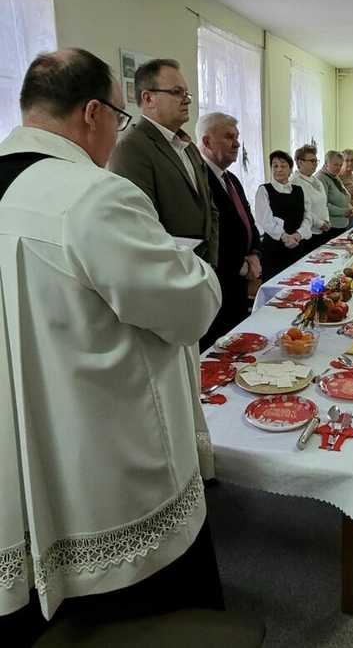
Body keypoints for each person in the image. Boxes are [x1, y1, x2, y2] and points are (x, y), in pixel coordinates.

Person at [0, 50, 224, 644]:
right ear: (94, 113)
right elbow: (191, 305)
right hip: (102, 463)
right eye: (121, 121)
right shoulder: (94, 197)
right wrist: (192, 265)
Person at [110, 58, 218, 271]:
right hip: (168, 275)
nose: (186, 100)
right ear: (148, 98)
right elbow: (142, 226)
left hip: (202, 270)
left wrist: (210, 262)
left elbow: (211, 211)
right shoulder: (132, 148)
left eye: (187, 94)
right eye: (177, 92)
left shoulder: (189, 147)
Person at [196, 112, 261, 346]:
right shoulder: (198, 180)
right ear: (206, 142)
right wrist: (238, 265)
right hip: (217, 280)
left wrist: (254, 252)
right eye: (228, 137)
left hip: (239, 281)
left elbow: (248, 221)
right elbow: (207, 235)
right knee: (218, 347)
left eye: (237, 137)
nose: (236, 143)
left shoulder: (231, 179)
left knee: (237, 341)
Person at [255, 150, 311, 281]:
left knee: (298, 285)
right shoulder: (264, 190)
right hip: (274, 249)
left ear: (291, 169)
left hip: (298, 245)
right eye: (275, 166)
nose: (279, 169)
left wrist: (298, 235)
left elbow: (308, 217)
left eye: (283, 166)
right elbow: (265, 220)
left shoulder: (299, 190)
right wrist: (285, 237)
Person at [291, 143, 331, 252]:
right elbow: (304, 210)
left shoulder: (316, 180)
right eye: (312, 161)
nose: (315, 164)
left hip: (322, 230)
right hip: (308, 233)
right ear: (300, 162)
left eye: (316, 161)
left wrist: (326, 221)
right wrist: (320, 224)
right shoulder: (295, 183)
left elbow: (324, 203)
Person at [316, 151, 353, 236]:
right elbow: (323, 204)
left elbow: (344, 195)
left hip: (347, 220)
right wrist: (343, 211)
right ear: (326, 164)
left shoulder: (336, 176)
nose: (338, 168)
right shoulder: (322, 178)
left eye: (340, 165)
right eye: (335, 165)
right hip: (332, 226)